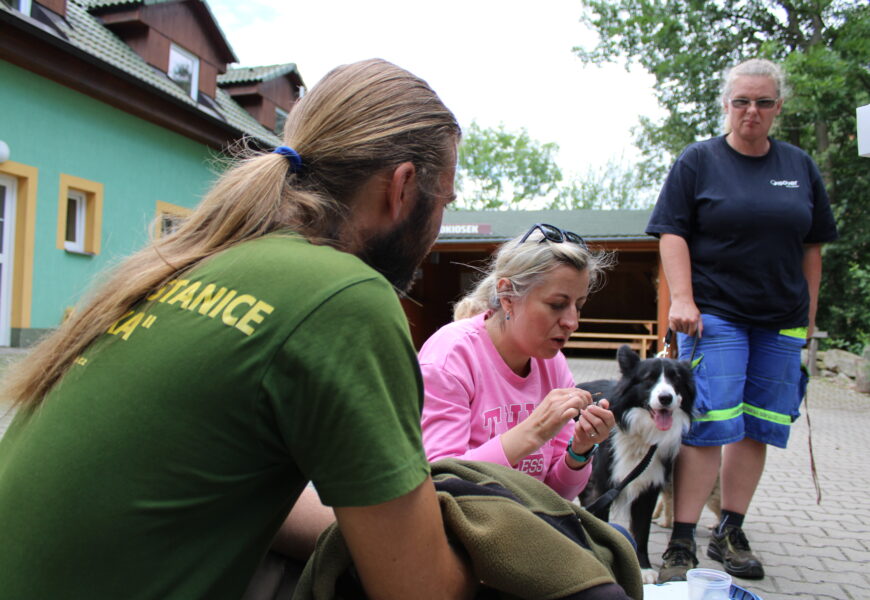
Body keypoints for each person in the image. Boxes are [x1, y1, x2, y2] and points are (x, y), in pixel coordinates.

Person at [0, 59, 476, 600]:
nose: (438, 226)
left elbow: (218, 489)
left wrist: (379, 528)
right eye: (445, 202)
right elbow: (421, 592)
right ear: (403, 187)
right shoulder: (344, 297)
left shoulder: (190, 259)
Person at [645, 58, 838, 583]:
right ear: (726, 105)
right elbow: (671, 233)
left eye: (764, 102)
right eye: (741, 101)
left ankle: (729, 531)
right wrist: (681, 299)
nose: (752, 111)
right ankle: (681, 541)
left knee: (756, 427)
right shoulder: (698, 162)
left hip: (780, 320)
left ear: (779, 107)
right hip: (715, 316)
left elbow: (812, 246)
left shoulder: (799, 166)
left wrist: (810, 316)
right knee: (708, 424)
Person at [419, 223, 616, 502]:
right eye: (557, 304)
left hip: (527, 522)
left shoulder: (553, 363)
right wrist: (533, 431)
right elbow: (441, 482)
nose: (572, 322)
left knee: (621, 539)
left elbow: (557, 494)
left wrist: (579, 450)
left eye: (579, 305)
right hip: (463, 527)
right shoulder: (451, 356)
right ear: (508, 297)